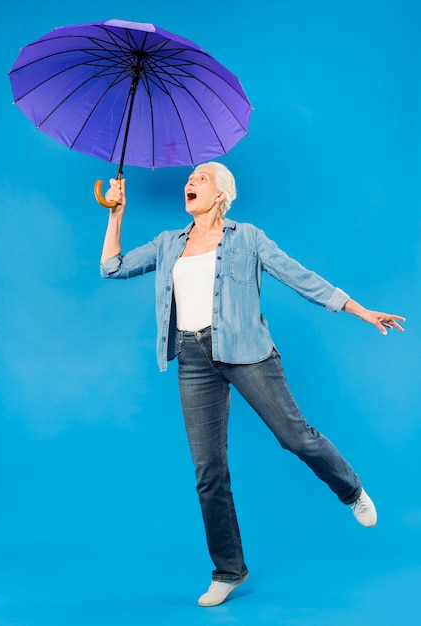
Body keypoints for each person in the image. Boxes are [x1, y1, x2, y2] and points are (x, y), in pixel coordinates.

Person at [100, 162, 405, 607]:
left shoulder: (249, 238)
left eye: (201, 178)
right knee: (209, 473)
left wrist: (360, 311)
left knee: (296, 438)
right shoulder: (169, 243)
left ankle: (350, 489)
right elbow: (112, 267)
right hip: (193, 359)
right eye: (190, 178)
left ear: (221, 194)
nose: (190, 182)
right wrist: (116, 213)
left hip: (249, 354)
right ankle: (229, 569)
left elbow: (301, 278)